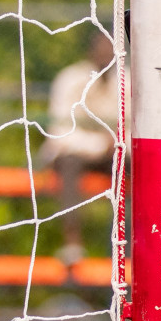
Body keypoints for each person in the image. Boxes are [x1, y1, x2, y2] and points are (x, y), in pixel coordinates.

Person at [40, 31, 118, 263]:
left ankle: (137, 242)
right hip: (73, 155)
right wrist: (100, 144)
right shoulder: (70, 80)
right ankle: (72, 242)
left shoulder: (124, 82)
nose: (105, 55)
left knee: (141, 168)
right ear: (90, 51)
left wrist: (113, 145)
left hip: (112, 156)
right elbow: (59, 135)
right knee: (68, 163)